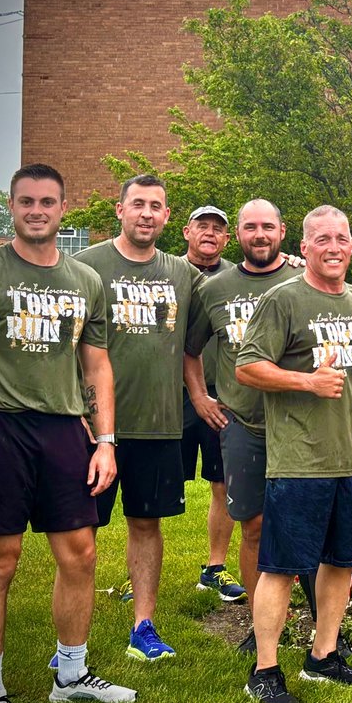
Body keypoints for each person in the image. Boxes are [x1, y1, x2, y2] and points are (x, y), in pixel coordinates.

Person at [0, 163, 135, 703]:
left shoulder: (85, 280)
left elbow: (96, 366)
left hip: (64, 430)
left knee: (80, 554)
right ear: (11, 206)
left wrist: (105, 441)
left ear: (63, 208)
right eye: (26, 201)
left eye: (47, 202)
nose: (37, 211)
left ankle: (70, 677)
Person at [235, 205, 352, 703]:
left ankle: (323, 656)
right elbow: (247, 366)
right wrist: (307, 381)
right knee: (282, 568)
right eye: (322, 239)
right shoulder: (283, 300)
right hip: (299, 461)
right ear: (303, 246)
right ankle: (264, 671)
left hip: (351, 458)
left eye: (341, 238)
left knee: (342, 563)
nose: (333, 247)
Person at [74, 173, 205, 661]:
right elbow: (68, 348)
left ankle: (143, 627)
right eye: (138, 204)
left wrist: (292, 267)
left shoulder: (182, 274)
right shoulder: (86, 266)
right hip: (93, 428)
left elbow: (237, 287)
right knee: (81, 532)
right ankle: (73, 639)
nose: (147, 214)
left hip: (158, 424)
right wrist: (78, 413)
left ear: (167, 216)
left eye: (156, 206)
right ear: (120, 209)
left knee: (146, 525)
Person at [184, 199, 304, 654]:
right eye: (250, 227)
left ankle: (322, 631)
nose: (259, 235)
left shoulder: (303, 279)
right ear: (238, 235)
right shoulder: (215, 288)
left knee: (305, 523)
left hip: (299, 425)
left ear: (282, 231)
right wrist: (200, 397)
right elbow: (190, 350)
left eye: (267, 227)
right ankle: (261, 625)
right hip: (243, 425)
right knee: (252, 526)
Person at [179, 205, 246, 604]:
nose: (209, 233)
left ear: (227, 238)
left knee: (224, 484)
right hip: (168, 396)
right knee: (156, 487)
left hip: (222, 397)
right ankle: (140, 575)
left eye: (217, 229)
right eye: (201, 226)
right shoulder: (167, 273)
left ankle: (215, 568)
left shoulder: (239, 278)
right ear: (186, 232)